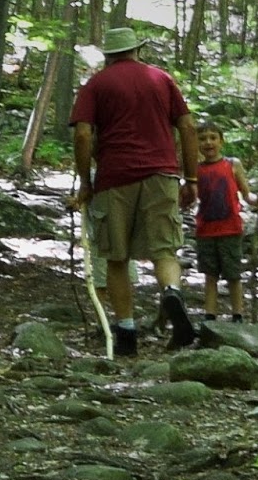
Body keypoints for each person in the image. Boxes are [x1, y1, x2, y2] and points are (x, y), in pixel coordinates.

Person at [70, 26, 199, 356]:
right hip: (162, 173)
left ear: (109, 55)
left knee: (116, 256)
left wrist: (86, 182)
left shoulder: (95, 85)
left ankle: (126, 331)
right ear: (136, 50)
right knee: (164, 249)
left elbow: (83, 135)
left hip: (115, 177)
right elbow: (187, 125)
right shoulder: (161, 78)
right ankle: (171, 291)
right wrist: (192, 178)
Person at [194, 121, 254, 323]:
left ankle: (238, 314)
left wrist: (257, 200)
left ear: (221, 141)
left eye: (213, 138)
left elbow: (246, 194)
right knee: (210, 275)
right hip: (206, 230)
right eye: (202, 139)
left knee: (233, 274)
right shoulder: (195, 169)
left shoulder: (232, 164)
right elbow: (187, 197)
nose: (208, 143)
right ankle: (210, 316)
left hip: (231, 229)